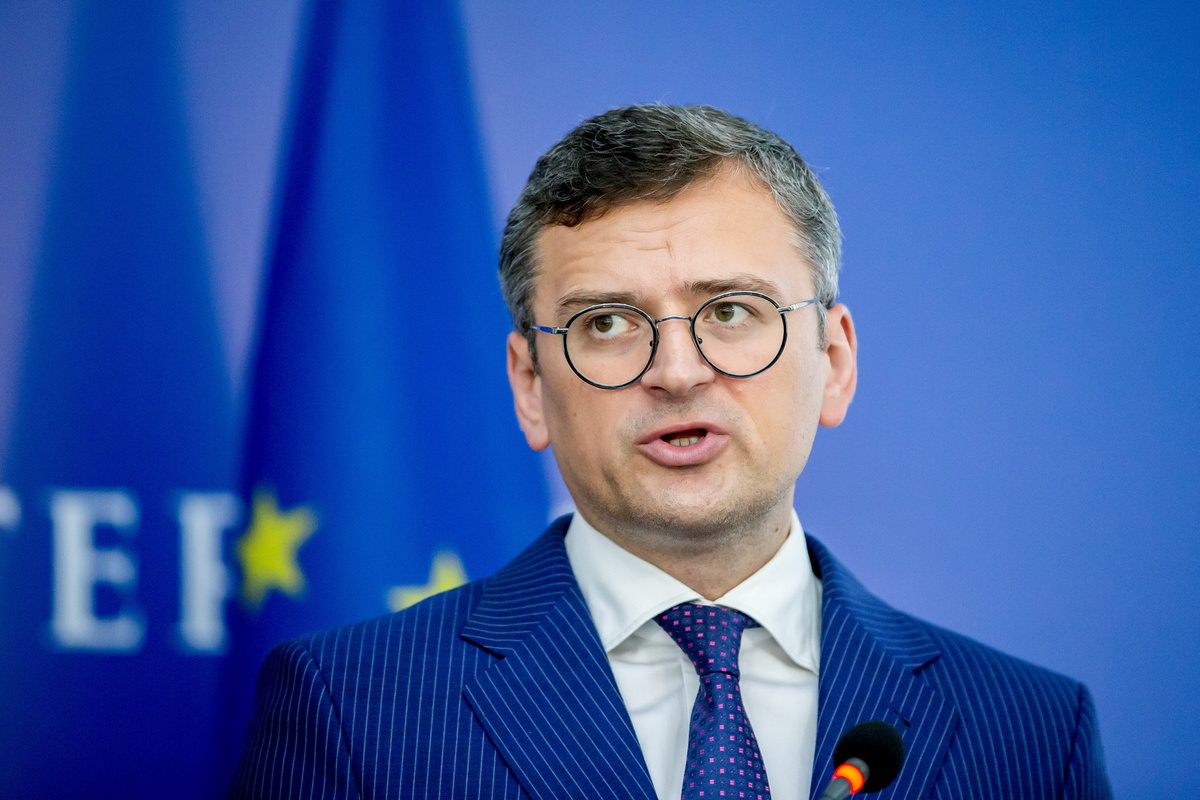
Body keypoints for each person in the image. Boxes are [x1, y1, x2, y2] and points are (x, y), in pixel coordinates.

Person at [229, 105, 1111, 800]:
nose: (678, 372)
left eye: (730, 311)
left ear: (835, 363)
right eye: (607, 324)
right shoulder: (353, 706)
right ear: (531, 386)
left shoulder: (1032, 732)